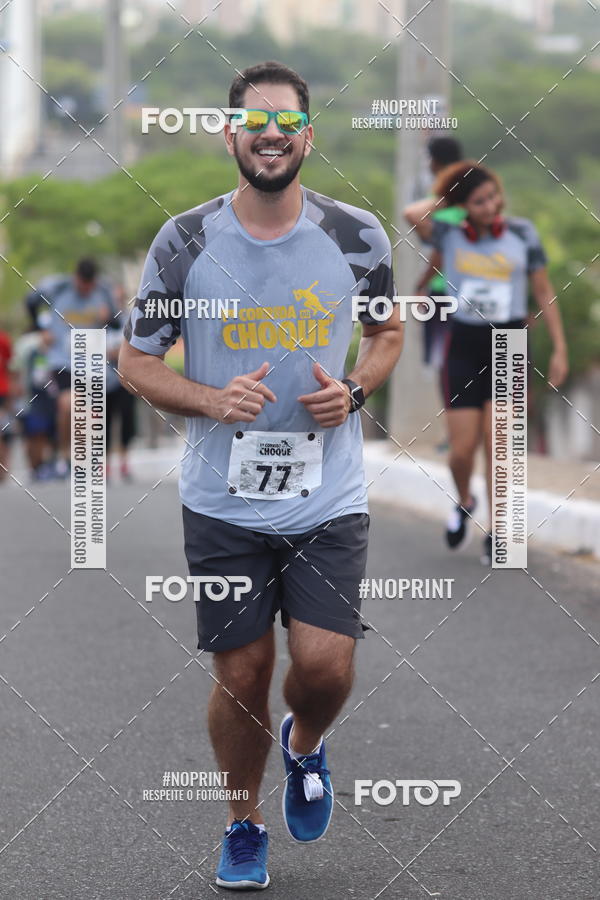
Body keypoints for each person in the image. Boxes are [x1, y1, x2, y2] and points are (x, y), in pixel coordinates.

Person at [119, 60, 403, 890]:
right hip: (223, 501)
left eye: (286, 123)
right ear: (229, 135)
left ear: (309, 136)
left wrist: (354, 390)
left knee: (324, 668)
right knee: (243, 674)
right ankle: (242, 824)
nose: (270, 135)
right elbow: (136, 362)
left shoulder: (357, 236)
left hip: (327, 495)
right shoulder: (185, 240)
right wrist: (211, 398)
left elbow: (386, 335)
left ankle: (305, 745)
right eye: (254, 122)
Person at [404, 161, 568, 564]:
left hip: (509, 342)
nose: (491, 205)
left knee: (500, 444)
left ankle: (498, 531)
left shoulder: (522, 233)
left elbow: (543, 291)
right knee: (462, 450)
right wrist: (450, 197)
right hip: (464, 343)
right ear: (462, 206)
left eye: (494, 195)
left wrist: (560, 348)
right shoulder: (449, 234)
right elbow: (412, 213)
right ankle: (465, 499)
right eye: (479, 201)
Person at [34, 259, 113, 477]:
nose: (85, 290)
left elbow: (117, 320)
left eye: (89, 286)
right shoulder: (57, 287)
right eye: (82, 285)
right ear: (76, 278)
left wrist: (108, 318)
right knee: (68, 405)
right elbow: (31, 301)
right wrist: (40, 329)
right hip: (62, 360)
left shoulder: (103, 291)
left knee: (89, 412)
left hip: (90, 361)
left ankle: (82, 459)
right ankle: (64, 454)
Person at [0, 326, 13, 482]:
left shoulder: (3, 339)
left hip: (2, 391)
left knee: (4, 432)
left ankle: (3, 471)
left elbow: (9, 364)